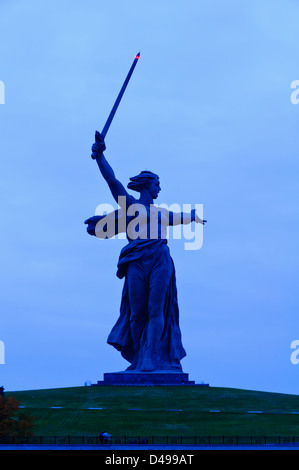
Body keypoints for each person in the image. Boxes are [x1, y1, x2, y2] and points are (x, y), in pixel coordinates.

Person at [87, 131, 206, 372]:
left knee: (156, 309)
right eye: (157, 184)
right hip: (136, 261)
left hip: (160, 259)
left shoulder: (162, 213)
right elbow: (113, 181)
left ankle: (150, 359)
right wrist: (100, 156)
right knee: (137, 313)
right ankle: (138, 359)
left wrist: (193, 217)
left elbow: (179, 218)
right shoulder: (130, 205)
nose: (159, 188)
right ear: (147, 185)